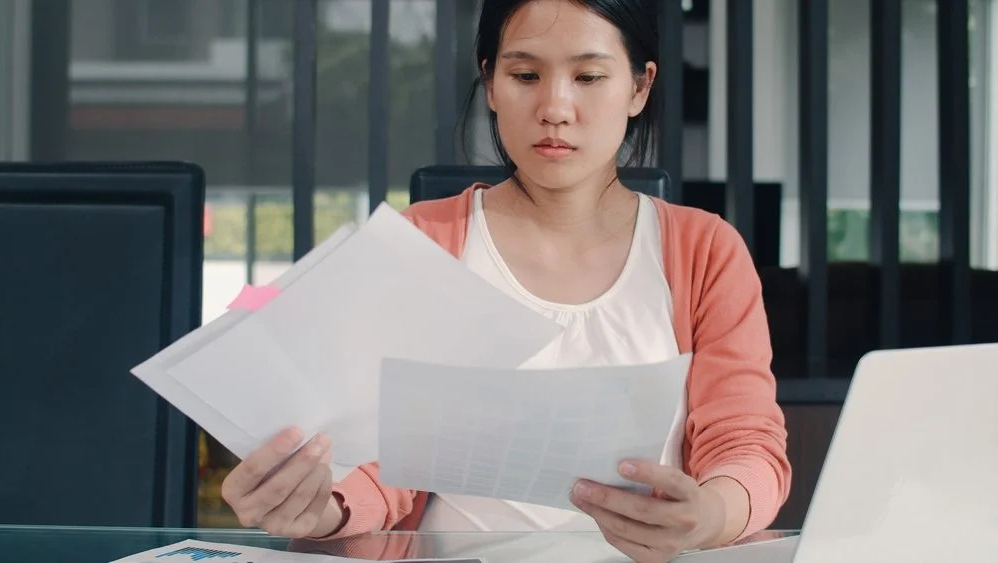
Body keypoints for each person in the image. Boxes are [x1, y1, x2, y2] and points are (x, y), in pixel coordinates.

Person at [220, 0, 791, 560]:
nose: (555, 107)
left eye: (589, 76)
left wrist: (711, 515)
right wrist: (322, 509)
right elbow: (377, 462)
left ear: (640, 88)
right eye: (525, 75)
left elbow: (746, 445)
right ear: (491, 84)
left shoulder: (705, 250)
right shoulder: (421, 242)